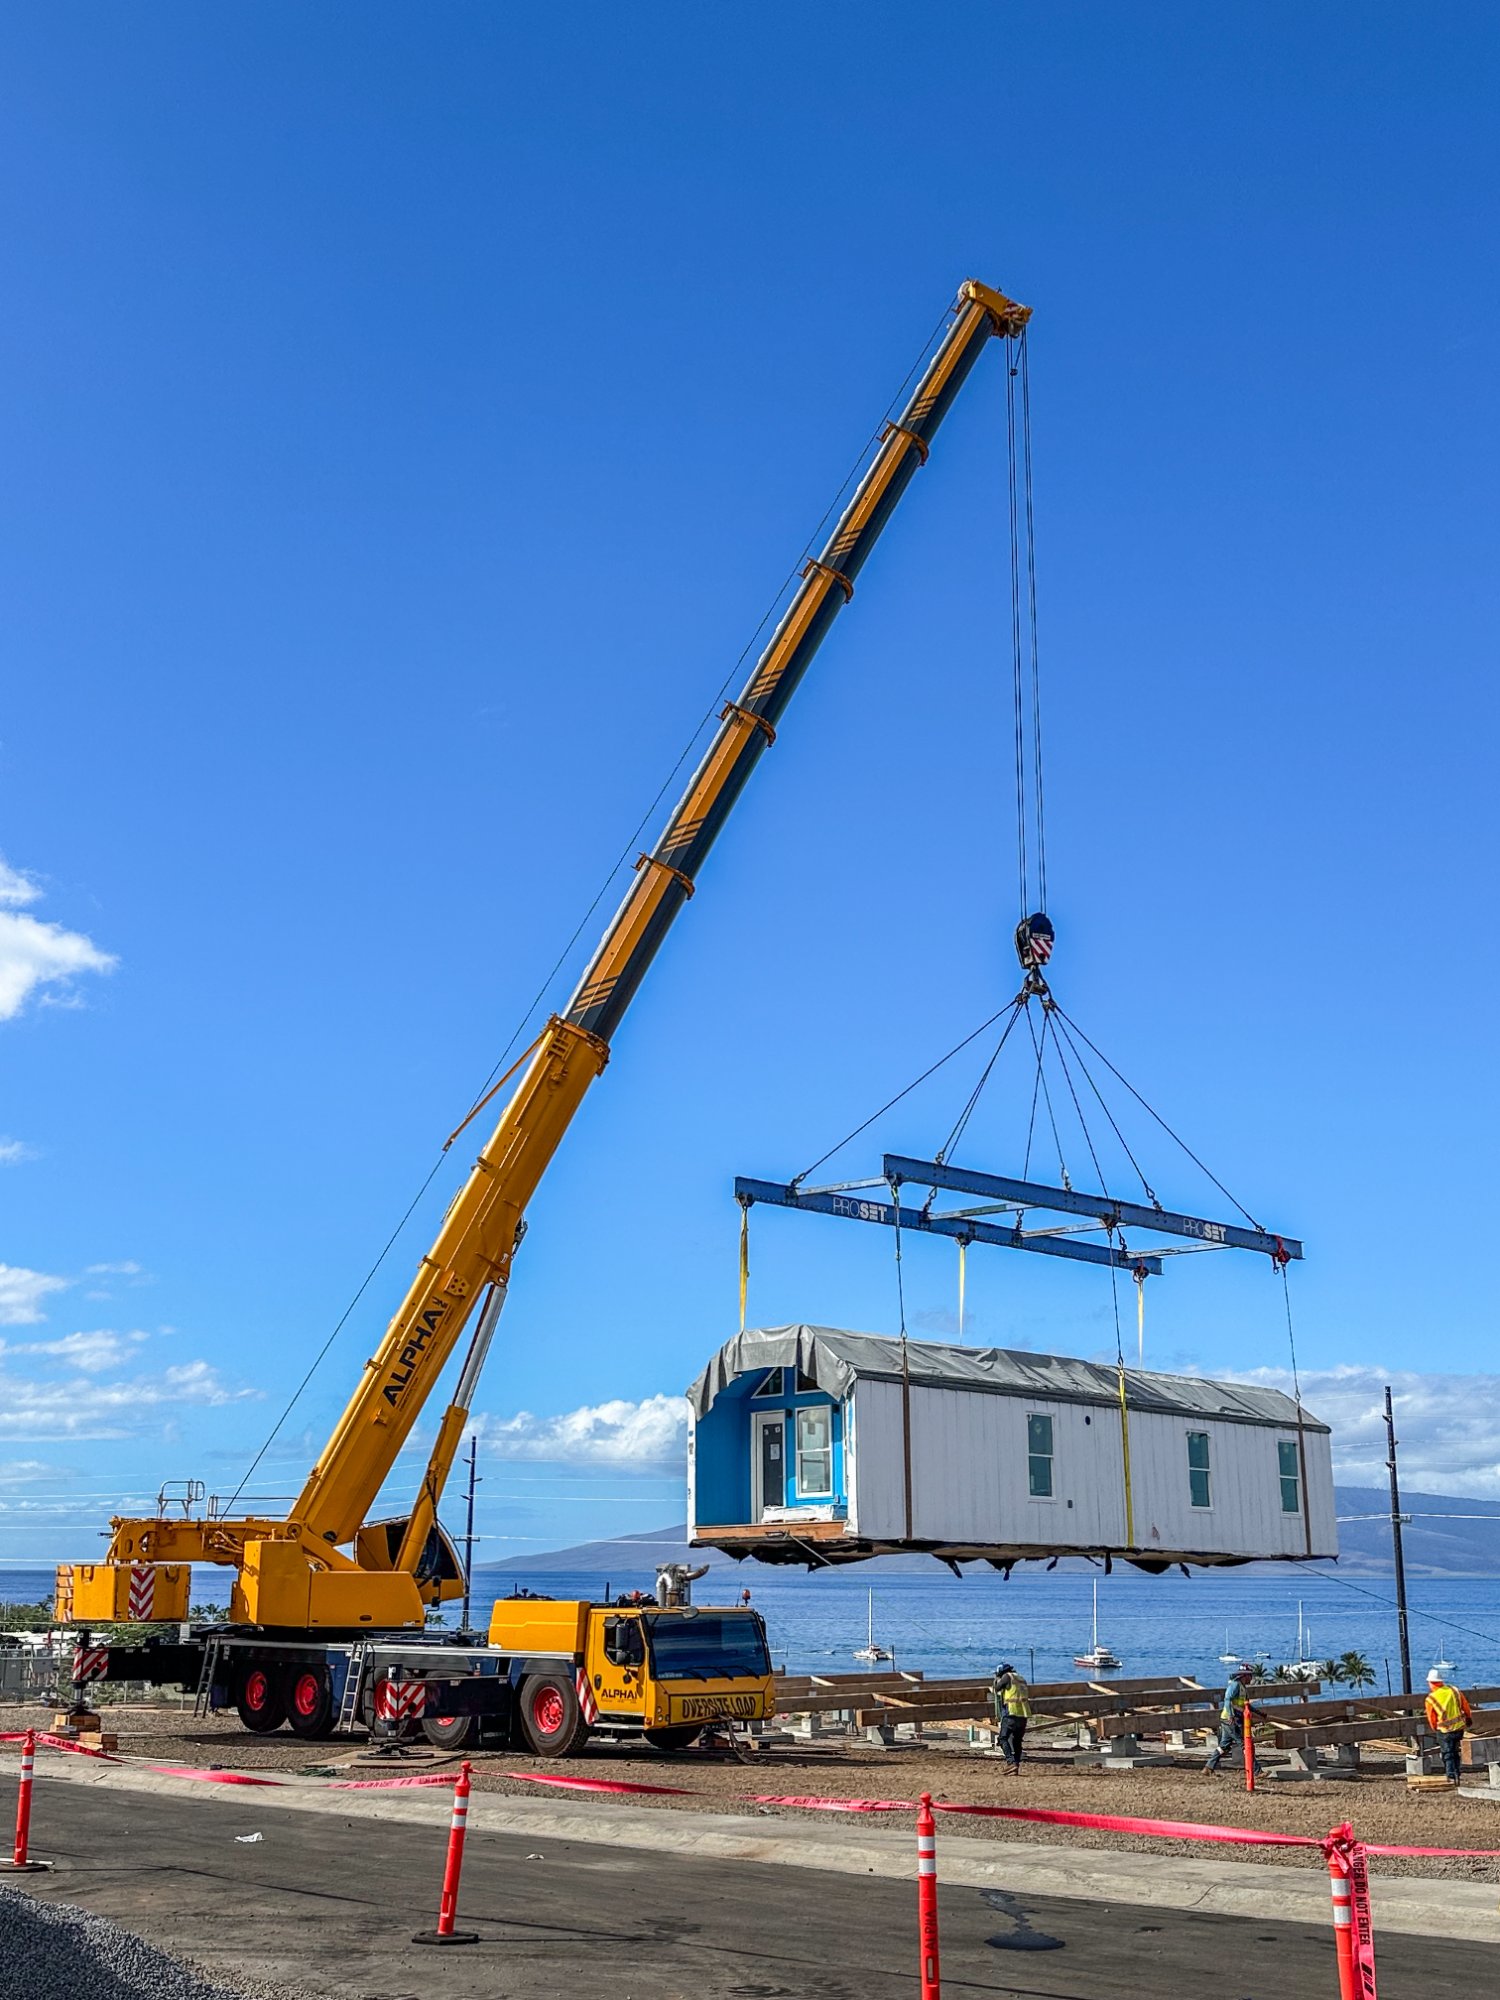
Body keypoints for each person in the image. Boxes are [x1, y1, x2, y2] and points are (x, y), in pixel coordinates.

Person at [1204, 1664, 1255, 1774]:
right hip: (1230, 1720)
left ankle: (1208, 1767)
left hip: (1231, 1719)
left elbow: (1246, 1705)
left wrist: (1259, 1713)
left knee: (1224, 1746)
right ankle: (1257, 1771)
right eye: (1250, 1676)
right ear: (1244, 1676)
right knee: (1245, 1744)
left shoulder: (1242, 1687)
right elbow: (1228, 1700)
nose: (1251, 1678)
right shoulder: (1235, 1685)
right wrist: (1231, 1715)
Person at [1424, 1668, 1472, 1782]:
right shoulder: (1454, 1690)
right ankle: (1457, 1773)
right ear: (1441, 1681)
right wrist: (1468, 1717)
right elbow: (1465, 1705)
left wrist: (1435, 1728)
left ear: (1430, 1683)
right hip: (1459, 1728)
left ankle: (1451, 1775)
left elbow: (1431, 1718)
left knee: (1447, 1753)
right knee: (1455, 1751)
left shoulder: (1431, 1698)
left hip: (1444, 1730)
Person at [993, 1664, 1032, 1773]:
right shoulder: (1020, 1678)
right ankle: (1016, 1765)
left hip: (1011, 1712)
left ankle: (1010, 1762)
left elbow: (997, 1688)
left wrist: (997, 1680)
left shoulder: (1007, 1677)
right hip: (1023, 1714)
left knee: (1002, 1738)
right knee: (1017, 1741)